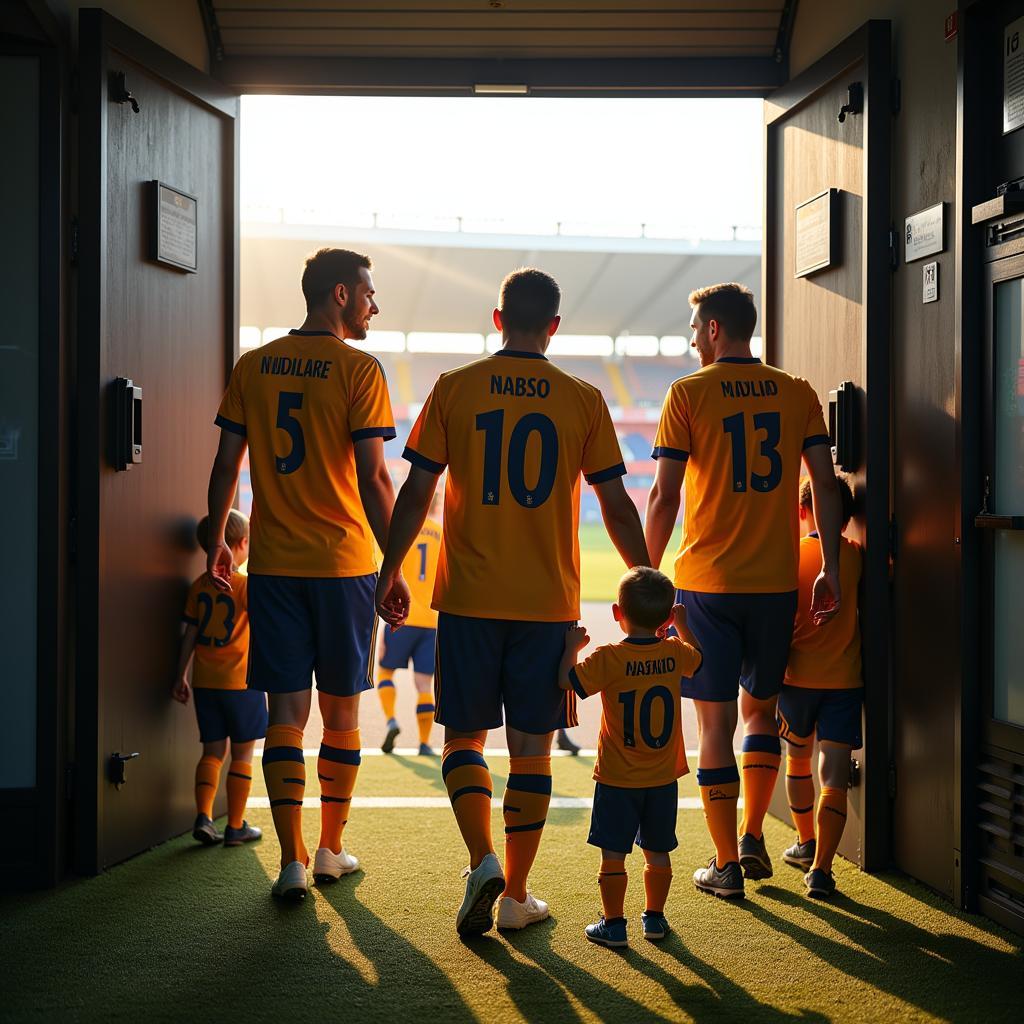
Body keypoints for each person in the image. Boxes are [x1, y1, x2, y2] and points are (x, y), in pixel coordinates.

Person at [375, 268, 650, 935]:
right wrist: (647, 579)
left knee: (461, 738)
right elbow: (616, 503)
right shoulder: (583, 399)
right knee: (532, 751)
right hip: (546, 604)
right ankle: (517, 896)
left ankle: (481, 861)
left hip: (467, 600)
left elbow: (416, 493)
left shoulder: (453, 388)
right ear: (554, 326)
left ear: (497, 319)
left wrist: (390, 568)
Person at [206, 248, 399, 900]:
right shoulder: (358, 368)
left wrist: (217, 541)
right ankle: (330, 850)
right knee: (341, 719)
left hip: (276, 568)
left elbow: (226, 465)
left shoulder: (254, 365)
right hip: (344, 567)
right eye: (370, 293)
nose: (375, 304)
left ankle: (290, 860)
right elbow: (374, 477)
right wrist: (394, 562)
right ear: (341, 294)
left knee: (286, 715)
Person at [645, 281, 842, 899]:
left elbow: (664, 495)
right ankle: (755, 833)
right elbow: (826, 486)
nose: (693, 342)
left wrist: (646, 580)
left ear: (712, 329)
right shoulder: (798, 392)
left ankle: (726, 864)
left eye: (694, 331)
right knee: (761, 712)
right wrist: (829, 564)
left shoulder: (688, 393)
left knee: (713, 724)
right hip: (776, 582)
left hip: (707, 584)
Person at [558, 567, 702, 948]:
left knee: (613, 856)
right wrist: (682, 627)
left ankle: (614, 924)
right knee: (658, 852)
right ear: (668, 618)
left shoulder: (610, 657)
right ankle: (654, 920)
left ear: (617, 614)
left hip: (618, 778)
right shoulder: (673, 652)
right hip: (661, 778)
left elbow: (566, 682)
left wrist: (572, 648)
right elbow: (697, 659)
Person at [779, 475, 861, 898]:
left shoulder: (791, 556)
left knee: (797, 762)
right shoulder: (856, 556)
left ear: (801, 510)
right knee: (835, 775)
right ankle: (821, 869)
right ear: (847, 518)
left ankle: (805, 840)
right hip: (844, 681)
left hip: (796, 680)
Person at [172, 510, 266, 847]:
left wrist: (180, 674)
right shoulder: (243, 585)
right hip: (242, 682)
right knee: (242, 754)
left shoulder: (198, 586)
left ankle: (204, 816)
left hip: (205, 683)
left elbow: (190, 634)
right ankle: (236, 825)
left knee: (212, 751)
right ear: (242, 544)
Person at [378, 490, 442, 756]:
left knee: (384, 671)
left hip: (401, 613)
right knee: (424, 684)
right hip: (432, 619)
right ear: (437, 505)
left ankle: (392, 720)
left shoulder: (401, 530)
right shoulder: (441, 534)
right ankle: (425, 743)